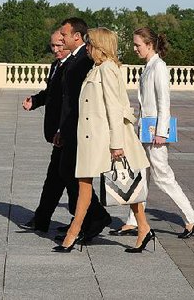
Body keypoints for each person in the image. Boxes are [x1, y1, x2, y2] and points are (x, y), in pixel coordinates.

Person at [54, 27, 153, 253]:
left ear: (99, 45)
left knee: (125, 183)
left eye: (90, 44)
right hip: (93, 138)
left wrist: (116, 144)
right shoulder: (97, 69)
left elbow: (114, 108)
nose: (87, 47)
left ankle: (141, 227)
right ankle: (74, 233)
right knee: (87, 185)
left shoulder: (107, 69)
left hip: (105, 139)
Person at [110, 27, 194, 239]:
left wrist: (161, 132)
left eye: (137, 45)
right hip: (146, 130)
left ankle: (191, 217)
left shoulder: (159, 67)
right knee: (142, 175)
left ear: (149, 44)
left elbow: (164, 101)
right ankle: (133, 221)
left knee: (163, 177)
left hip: (155, 133)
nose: (135, 49)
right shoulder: (149, 67)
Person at [53, 18, 111, 245]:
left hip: (82, 128)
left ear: (76, 36)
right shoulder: (75, 59)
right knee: (67, 173)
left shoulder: (86, 60)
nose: (61, 38)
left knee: (73, 175)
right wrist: (61, 128)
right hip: (71, 127)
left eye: (64, 34)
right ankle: (86, 219)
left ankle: (93, 218)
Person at [19, 31, 70, 233]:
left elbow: (70, 103)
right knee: (55, 178)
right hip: (59, 134)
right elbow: (51, 93)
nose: (56, 50)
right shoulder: (56, 65)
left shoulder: (75, 66)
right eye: (53, 46)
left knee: (70, 181)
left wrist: (61, 129)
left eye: (59, 45)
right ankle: (42, 218)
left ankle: (93, 218)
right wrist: (35, 101)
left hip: (66, 132)